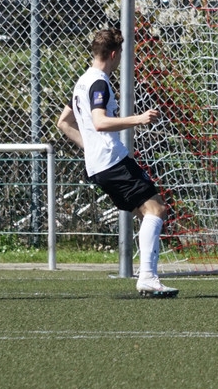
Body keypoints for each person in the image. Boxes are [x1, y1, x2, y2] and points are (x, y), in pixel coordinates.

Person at [57, 27, 177, 298]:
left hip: (100, 164)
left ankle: (148, 276)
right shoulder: (99, 82)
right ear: (114, 54)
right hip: (112, 160)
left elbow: (63, 123)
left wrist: (91, 149)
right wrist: (139, 119)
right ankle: (148, 278)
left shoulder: (81, 82)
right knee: (156, 209)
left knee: (149, 212)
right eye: (121, 53)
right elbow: (99, 122)